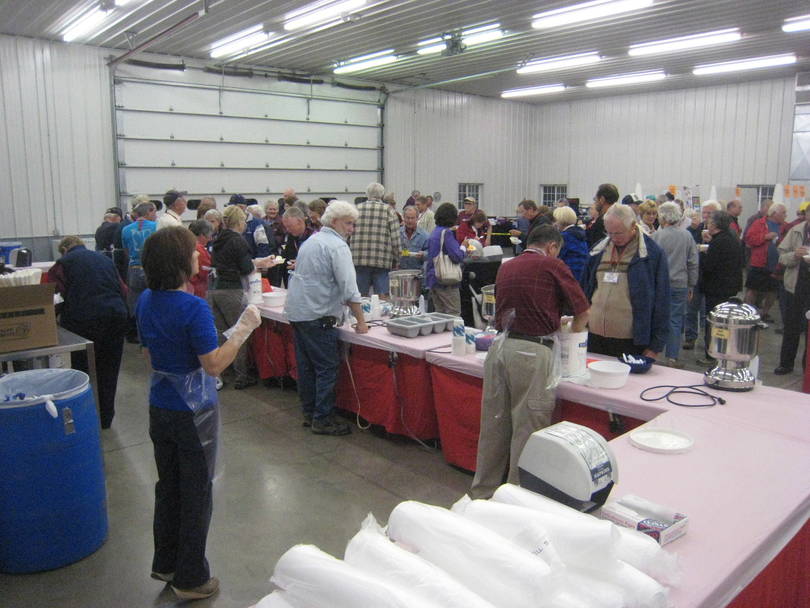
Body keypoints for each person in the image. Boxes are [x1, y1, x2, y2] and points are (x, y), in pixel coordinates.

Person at [137, 226, 262, 601]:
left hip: (160, 404)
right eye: (193, 251)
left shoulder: (146, 300)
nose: (199, 255)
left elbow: (149, 355)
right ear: (179, 262)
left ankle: (167, 562)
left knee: (169, 486)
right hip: (193, 413)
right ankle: (191, 577)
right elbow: (213, 365)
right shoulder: (193, 307)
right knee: (195, 492)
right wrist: (243, 329)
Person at [469, 225, 590, 499]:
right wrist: (572, 336)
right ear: (552, 247)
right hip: (533, 353)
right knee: (528, 430)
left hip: (500, 349)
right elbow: (583, 311)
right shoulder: (553, 265)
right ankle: (516, 501)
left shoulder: (507, 266)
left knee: (494, 427)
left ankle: (482, 495)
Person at [285, 200, 369, 435]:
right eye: (349, 223)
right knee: (327, 368)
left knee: (307, 369)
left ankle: (309, 413)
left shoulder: (311, 241)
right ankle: (322, 419)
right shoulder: (337, 247)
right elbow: (349, 288)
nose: (352, 229)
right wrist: (361, 321)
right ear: (334, 222)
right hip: (318, 315)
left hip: (299, 313)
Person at [48, 236, 128, 429]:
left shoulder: (62, 264)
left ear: (64, 249)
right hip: (114, 317)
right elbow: (123, 290)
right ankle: (105, 418)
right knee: (109, 369)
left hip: (82, 321)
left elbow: (54, 297)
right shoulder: (105, 260)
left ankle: (87, 418)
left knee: (83, 370)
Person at [583, 204, 670, 358]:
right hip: (594, 336)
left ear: (633, 226)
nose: (613, 238)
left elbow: (662, 300)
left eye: (618, 233)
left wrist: (655, 346)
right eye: (609, 232)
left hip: (630, 341)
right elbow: (584, 290)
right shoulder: (598, 251)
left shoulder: (652, 255)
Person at [209, 206, 276, 389]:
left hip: (215, 288)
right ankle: (242, 375)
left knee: (221, 332)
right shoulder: (238, 240)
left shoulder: (218, 239)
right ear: (240, 222)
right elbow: (246, 268)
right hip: (232, 290)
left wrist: (255, 262)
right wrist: (258, 265)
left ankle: (222, 371)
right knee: (239, 332)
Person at [651, 202, 698, 368]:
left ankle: (654, 353)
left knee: (657, 318)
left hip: (659, 284)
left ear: (662, 217)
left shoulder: (656, 236)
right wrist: (692, 285)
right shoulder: (687, 236)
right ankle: (672, 357)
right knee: (675, 320)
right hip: (680, 283)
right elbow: (693, 262)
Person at [699, 211, 744, 365]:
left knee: (714, 322)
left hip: (716, 288)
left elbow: (709, 266)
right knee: (725, 321)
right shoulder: (732, 237)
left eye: (710, 221)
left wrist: (703, 254)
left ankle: (711, 355)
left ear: (715, 224)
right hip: (730, 286)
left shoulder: (718, 242)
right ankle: (723, 351)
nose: (707, 223)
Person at [683, 200, 722, 351]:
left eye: (709, 213)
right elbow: (688, 245)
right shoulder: (696, 228)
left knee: (708, 311)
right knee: (691, 308)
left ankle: (708, 340)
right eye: (704, 212)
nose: (705, 216)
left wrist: (712, 243)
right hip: (696, 274)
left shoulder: (721, 233)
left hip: (711, 277)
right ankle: (690, 337)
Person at [774, 212, 810, 375]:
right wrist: (795, 255)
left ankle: (807, 367)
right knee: (791, 327)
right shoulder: (796, 230)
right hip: (795, 286)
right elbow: (782, 257)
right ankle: (786, 364)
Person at [351, 182, 400, 297]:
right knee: (382, 298)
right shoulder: (389, 210)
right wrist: (397, 259)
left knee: (359, 297)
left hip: (359, 259)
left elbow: (347, 233)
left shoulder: (356, 209)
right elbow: (395, 239)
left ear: (366, 194)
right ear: (382, 195)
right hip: (382, 261)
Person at [121, 201, 158, 342]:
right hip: (151, 268)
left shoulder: (126, 229)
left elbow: (126, 251)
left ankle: (139, 335)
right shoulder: (156, 227)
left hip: (134, 269)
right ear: (149, 212)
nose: (156, 215)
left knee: (136, 304)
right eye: (154, 212)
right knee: (155, 302)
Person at [744, 202, 786, 322]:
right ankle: (748, 313)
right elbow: (749, 239)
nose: (785, 215)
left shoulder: (785, 227)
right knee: (753, 289)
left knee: (772, 291)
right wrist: (765, 237)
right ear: (774, 213)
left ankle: (764, 313)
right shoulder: (759, 223)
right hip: (759, 263)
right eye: (783, 213)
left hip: (776, 265)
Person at [425, 202, 467, 315]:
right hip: (446, 281)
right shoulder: (446, 233)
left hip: (433, 278)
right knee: (454, 313)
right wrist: (464, 247)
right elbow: (457, 256)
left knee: (439, 314)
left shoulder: (435, 232)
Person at [278, 206, 314, 286]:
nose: (287, 229)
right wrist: (275, 260)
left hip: (310, 282)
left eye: (289, 226)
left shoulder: (315, 236)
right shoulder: (289, 236)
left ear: (300, 222)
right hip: (292, 281)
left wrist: (301, 264)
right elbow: (284, 256)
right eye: (286, 227)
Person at [553, 205, 588, 283]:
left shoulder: (564, 237)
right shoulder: (580, 234)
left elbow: (556, 256)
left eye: (556, 220)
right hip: (582, 273)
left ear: (561, 220)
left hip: (569, 273)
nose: (555, 223)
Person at [586, 183, 619, 248]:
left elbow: (595, 247)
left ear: (602, 199)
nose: (595, 203)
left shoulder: (602, 222)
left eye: (595, 199)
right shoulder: (620, 218)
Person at [188, 220, 213, 299]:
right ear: (202, 235)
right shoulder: (199, 249)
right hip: (197, 290)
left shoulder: (184, 244)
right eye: (209, 236)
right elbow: (205, 271)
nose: (210, 239)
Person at [399, 206, 429, 270]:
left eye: (412, 218)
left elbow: (430, 253)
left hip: (417, 272)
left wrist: (423, 254)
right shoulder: (397, 233)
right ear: (403, 218)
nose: (410, 221)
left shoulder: (424, 235)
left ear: (417, 218)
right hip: (399, 271)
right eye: (408, 218)